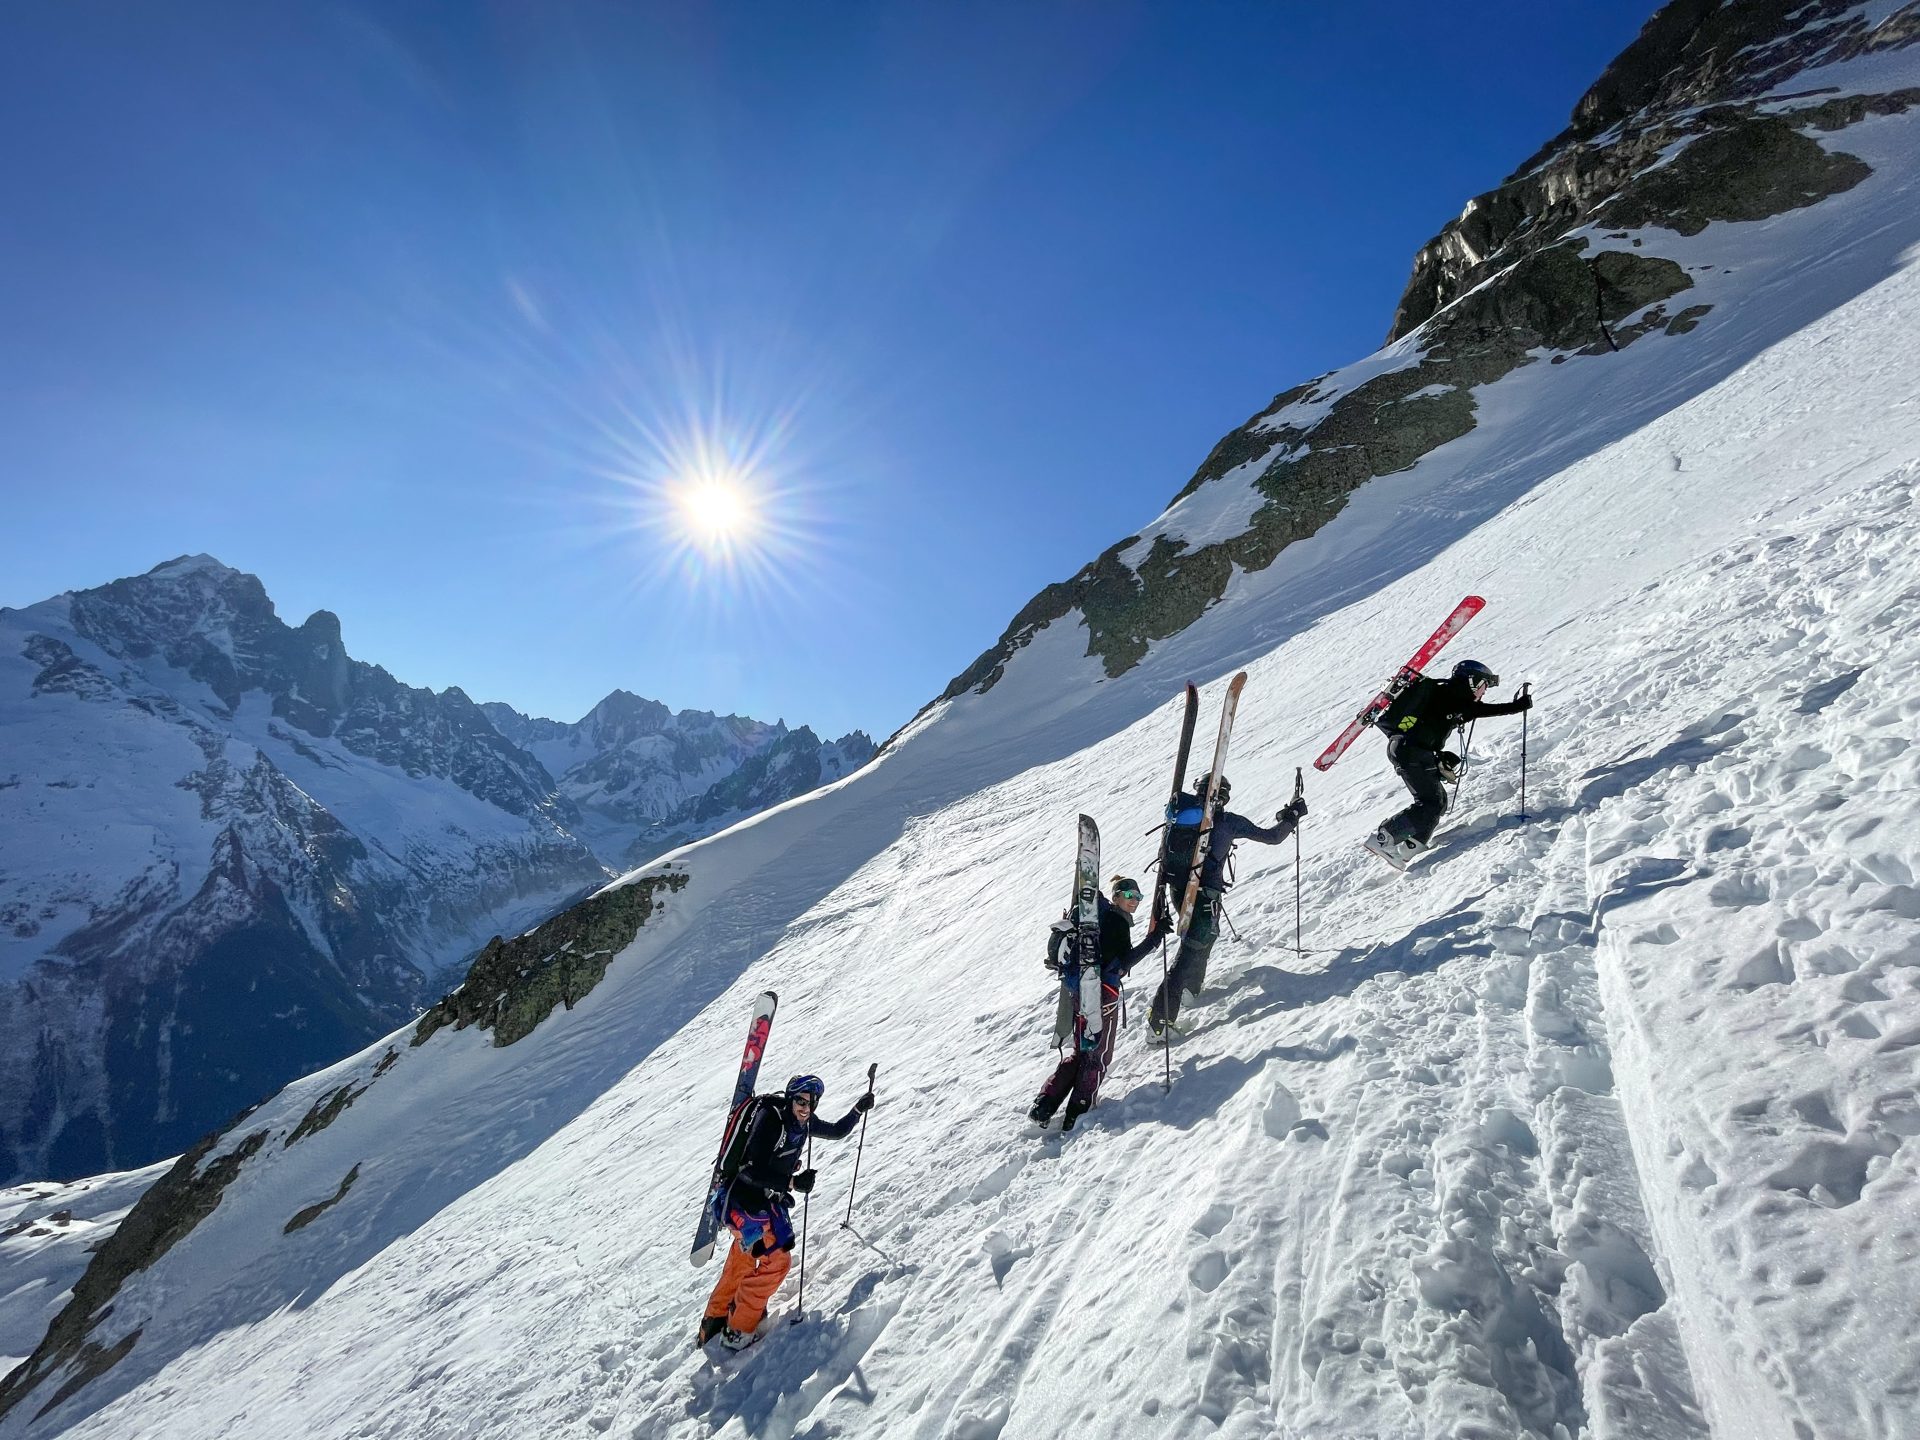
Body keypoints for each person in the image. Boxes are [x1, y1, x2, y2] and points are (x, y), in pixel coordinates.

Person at [699, 1074, 873, 1350]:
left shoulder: (801, 1123)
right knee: (778, 1263)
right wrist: (792, 1182)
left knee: (743, 1258)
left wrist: (857, 1110)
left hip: (759, 1206)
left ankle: (715, 1318)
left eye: (812, 1103)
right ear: (791, 1098)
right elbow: (751, 1170)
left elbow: (836, 1131)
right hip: (745, 1203)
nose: (806, 1107)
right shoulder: (771, 1120)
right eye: (801, 1101)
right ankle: (738, 1330)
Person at [1149, 775, 1305, 1036]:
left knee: (1203, 938)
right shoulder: (1227, 822)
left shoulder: (1180, 819)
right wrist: (1291, 818)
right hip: (1204, 895)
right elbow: (1272, 837)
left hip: (1180, 891)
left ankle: (1190, 989)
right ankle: (1159, 1023)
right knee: (1191, 948)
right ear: (1222, 796)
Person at [1365, 659, 1532, 867]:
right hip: (1411, 751)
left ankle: (1411, 847)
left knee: (1438, 801)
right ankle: (1385, 838)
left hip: (1411, 749)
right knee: (1430, 803)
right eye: (1484, 685)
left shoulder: (1446, 694)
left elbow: (1446, 718)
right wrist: (1517, 706)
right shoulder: (1456, 696)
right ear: (1473, 682)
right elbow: (1481, 710)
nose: (1484, 691)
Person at [1028, 875, 1164, 1132]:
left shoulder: (1096, 919)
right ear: (1115, 897)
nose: (1134, 901)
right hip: (1104, 995)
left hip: (1080, 992)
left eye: (1138, 897)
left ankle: (1043, 1104)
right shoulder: (1116, 922)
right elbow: (1124, 961)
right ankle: (1078, 1112)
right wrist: (1154, 939)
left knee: (1081, 1052)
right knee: (1098, 1055)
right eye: (1128, 896)